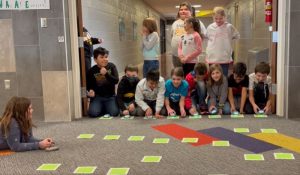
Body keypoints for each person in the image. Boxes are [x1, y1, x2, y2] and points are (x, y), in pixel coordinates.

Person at [171, 1, 206, 68]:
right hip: (176, 55)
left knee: (190, 76)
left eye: (186, 9)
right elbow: (172, 36)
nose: (183, 11)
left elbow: (202, 36)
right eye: (181, 10)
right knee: (178, 76)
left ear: (191, 11)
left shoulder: (197, 22)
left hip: (191, 58)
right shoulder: (175, 23)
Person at [206, 7, 240, 76]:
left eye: (221, 18)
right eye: (216, 18)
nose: (218, 20)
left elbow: (237, 36)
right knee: (213, 76)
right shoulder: (210, 27)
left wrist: (228, 39)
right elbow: (208, 37)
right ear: (213, 17)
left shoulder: (229, 27)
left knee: (223, 76)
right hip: (212, 57)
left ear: (225, 17)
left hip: (224, 57)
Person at [86, 47, 119, 117]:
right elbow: (89, 85)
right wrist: (91, 91)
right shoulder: (91, 71)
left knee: (114, 113)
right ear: (95, 59)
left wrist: (106, 74)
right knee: (93, 113)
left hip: (110, 96)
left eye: (106, 57)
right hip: (98, 97)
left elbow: (116, 80)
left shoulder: (111, 66)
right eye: (101, 57)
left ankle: (106, 106)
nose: (105, 59)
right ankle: (102, 107)